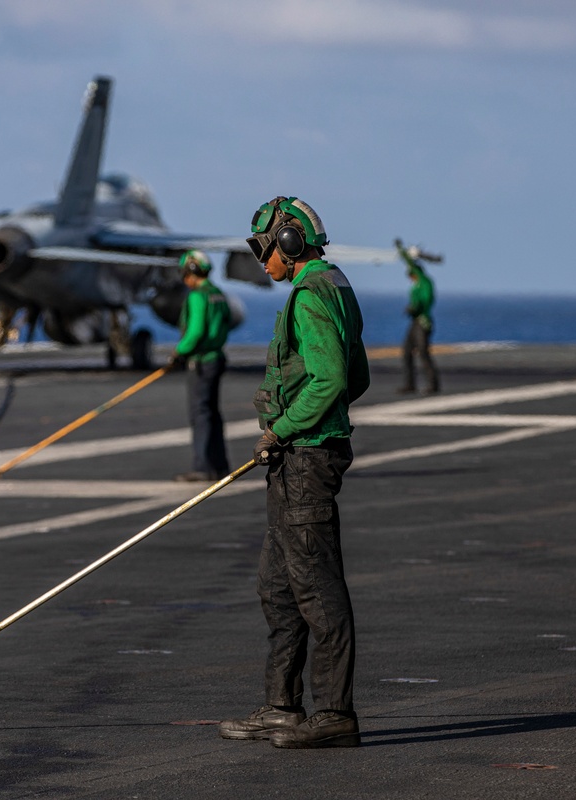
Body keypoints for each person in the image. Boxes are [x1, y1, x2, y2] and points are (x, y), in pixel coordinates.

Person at [219, 197, 370, 749]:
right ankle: (282, 706)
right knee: (278, 586)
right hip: (300, 454)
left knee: (315, 587)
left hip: (304, 458)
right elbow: (357, 376)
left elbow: (331, 380)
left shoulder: (310, 295)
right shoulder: (336, 285)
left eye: (265, 249)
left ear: (288, 243)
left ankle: (333, 713)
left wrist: (283, 428)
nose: (262, 261)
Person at [167, 250, 232, 482]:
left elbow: (195, 332)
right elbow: (227, 322)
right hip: (217, 358)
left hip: (202, 362)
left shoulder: (197, 296)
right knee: (212, 413)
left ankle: (203, 467)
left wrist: (178, 352)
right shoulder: (218, 294)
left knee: (200, 415)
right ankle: (219, 465)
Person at [396, 238, 440, 394]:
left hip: (423, 321)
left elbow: (425, 301)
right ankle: (410, 384)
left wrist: (415, 308)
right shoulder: (417, 284)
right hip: (415, 322)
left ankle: (433, 385)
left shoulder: (424, 282)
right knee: (407, 352)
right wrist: (401, 250)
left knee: (423, 353)